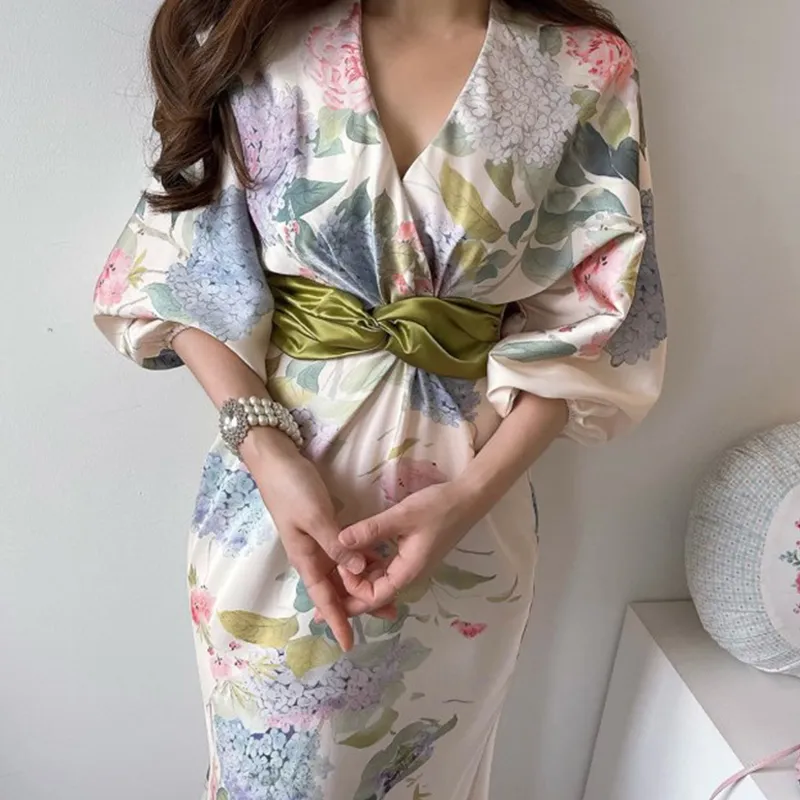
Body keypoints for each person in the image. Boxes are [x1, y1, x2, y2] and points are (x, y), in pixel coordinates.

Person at [93, 0, 666, 796]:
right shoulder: (253, 45)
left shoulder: (584, 69)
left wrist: (468, 497)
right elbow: (179, 277)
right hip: (272, 519)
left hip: (470, 534)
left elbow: (593, 332)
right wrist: (266, 452)